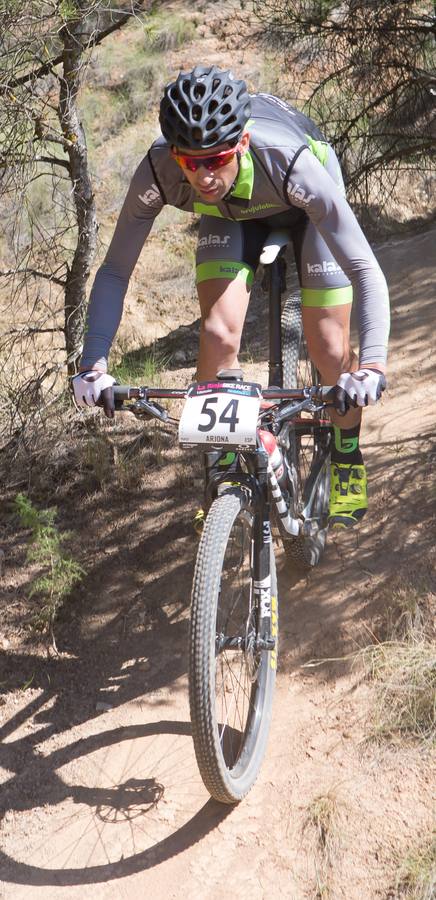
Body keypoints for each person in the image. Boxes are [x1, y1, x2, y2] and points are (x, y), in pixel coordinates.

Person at [73, 65, 389, 529]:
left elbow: (364, 267)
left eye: (215, 158)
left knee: (329, 348)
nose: (202, 175)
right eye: (190, 161)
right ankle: (222, 469)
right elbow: (116, 269)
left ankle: (345, 453)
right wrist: (92, 362)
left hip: (299, 200)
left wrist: (374, 365)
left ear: (240, 143)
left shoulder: (289, 159)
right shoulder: (160, 168)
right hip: (232, 216)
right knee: (218, 333)